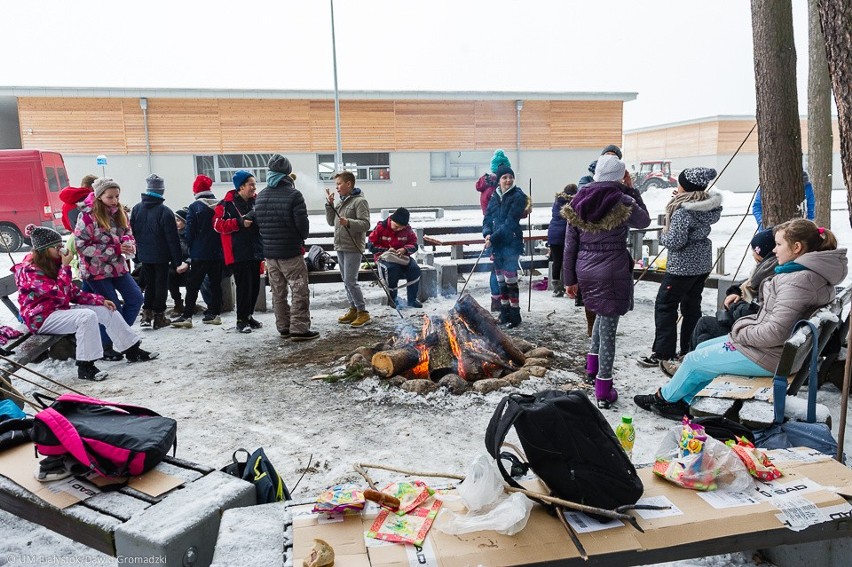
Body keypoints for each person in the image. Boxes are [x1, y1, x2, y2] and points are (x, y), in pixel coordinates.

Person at [635, 220, 847, 420]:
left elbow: (775, 332)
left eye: (779, 244)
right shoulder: (806, 275)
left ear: (797, 248)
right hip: (777, 352)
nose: (774, 250)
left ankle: (663, 399)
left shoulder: (799, 281)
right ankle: (687, 400)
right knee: (703, 348)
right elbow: (776, 322)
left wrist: (740, 330)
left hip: (770, 357)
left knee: (693, 360)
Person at [562, 154, 651, 408]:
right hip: (612, 270)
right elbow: (643, 221)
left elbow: (570, 246)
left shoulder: (578, 200)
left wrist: (569, 279)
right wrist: (632, 190)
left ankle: (592, 367)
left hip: (585, 270)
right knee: (609, 327)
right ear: (620, 176)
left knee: (600, 316)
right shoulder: (622, 200)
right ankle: (603, 387)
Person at [14, 225, 157, 381]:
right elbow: (59, 295)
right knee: (86, 317)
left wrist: (100, 300)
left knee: (105, 309)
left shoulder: (52, 264)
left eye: (61, 245)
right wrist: (66, 266)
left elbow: (73, 293)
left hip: (58, 311)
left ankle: (132, 349)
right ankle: (86, 366)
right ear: (44, 250)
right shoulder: (29, 271)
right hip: (40, 318)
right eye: (57, 247)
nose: (61, 250)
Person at [662, 228, 779, 377]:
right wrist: (735, 292)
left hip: (752, 335)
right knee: (703, 335)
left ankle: (687, 368)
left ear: (763, 252)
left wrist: (735, 306)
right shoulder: (763, 269)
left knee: (705, 325)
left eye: (754, 251)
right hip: (749, 327)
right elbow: (745, 285)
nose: (752, 254)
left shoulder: (772, 275)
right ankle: (688, 366)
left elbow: (758, 312)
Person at [637, 167, 722, 368]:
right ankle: (689, 349)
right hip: (701, 264)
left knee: (665, 305)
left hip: (682, 267)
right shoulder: (706, 206)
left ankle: (662, 352)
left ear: (686, 186)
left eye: (680, 182)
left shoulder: (683, 211)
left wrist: (662, 236)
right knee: (692, 306)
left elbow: (675, 241)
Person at [74, 178, 144, 361]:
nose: (114, 200)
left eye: (117, 196)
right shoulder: (88, 215)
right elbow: (81, 246)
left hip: (117, 267)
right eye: (110, 197)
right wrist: (115, 249)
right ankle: (108, 345)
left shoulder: (120, 212)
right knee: (112, 309)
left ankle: (119, 336)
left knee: (136, 298)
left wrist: (128, 243)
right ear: (98, 196)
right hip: (95, 271)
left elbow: (127, 233)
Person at [254, 154, 318, 341]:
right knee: (299, 290)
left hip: (271, 256)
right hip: (290, 254)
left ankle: (283, 326)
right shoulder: (294, 195)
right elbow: (302, 226)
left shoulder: (262, 195)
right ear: (287, 173)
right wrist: (300, 237)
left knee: (278, 292)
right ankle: (299, 329)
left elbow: (259, 224)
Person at [213, 170, 264, 333]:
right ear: (240, 187)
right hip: (237, 253)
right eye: (251, 184)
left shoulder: (256, 202)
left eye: (254, 184)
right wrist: (239, 222)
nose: (254, 188)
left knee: (255, 286)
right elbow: (217, 226)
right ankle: (241, 320)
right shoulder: (225, 204)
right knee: (244, 287)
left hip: (255, 250)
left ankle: (249, 315)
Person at [130, 174, 183, 330]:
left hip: (145, 255)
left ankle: (147, 314)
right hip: (161, 256)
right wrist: (177, 260)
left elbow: (133, 233)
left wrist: (137, 255)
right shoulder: (165, 212)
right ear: (161, 191)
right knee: (160, 285)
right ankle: (159, 316)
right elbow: (172, 239)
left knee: (149, 284)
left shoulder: (136, 209)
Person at [171, 174, 223, 328]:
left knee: (193, 285)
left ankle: (187, 316)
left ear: (196, 192)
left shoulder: (195, 207)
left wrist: (193, 245)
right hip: (217, 252)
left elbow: (189, 232)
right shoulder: (220, 205)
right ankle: (214, 313)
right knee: (215, 284)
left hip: (200, 253)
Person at [483, 164, 528, 329]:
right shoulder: (495, 196)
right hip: (496, 244)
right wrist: (487, 233)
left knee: (510, 279)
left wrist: (492, 238)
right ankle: (505, 311)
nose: (508, 180)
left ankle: (515, 314)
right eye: (504, 177)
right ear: (499, 180)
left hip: (511, 242)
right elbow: (487, 218)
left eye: (510, 177)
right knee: (500, 279)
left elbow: (510, 223)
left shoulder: (517, 196)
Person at [325, 170, 371, 328]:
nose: (336, 188)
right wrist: (329, 206)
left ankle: (363, 312)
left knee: (351, 281)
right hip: (341, 245)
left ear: (349, 184)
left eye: (339, 184)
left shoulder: (359, 202)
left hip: (353, 246)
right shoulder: (341, 202)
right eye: (336, 184)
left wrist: (349, 222)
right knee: (346, 281)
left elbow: (366, 224)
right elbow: (332, 222)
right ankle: (353, 309)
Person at [476, 150, 512, 312]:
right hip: (497, 232)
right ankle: (497, 300)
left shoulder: (489, 187)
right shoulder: (493, 191)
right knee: (498, 268)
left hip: (497, 230)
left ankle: (500, 299)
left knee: (499, 267)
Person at [368, 207, 422, 309]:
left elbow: (414, 245)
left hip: (402, 258)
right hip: (384, 258)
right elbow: (371, 246)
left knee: (415, 269)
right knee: (392, 270)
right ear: (391, 220)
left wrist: (404, 250)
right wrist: (387, 250)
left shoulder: (408, 229)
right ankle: (393, 299)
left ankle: (412, 299)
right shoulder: (381, 227)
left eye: (401, 228)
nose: (398, 229)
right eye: (396, 226)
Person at [547, 184, 575, 298]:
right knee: (566, 262)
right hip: (564, 234)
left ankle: (556, 288)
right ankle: (566, 286)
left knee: (556, 261)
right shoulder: (571, 203)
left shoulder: (557, 201)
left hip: (553, 234)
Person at [167, 208, 191, 317]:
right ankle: (178, 302)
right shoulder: (172, 235)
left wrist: (187, 263)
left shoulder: (190, 235)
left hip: (189, 264)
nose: (176, 223)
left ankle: (191, 303)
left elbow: (194, 252)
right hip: (175, 264)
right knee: (170, 274)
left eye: (178, 220)